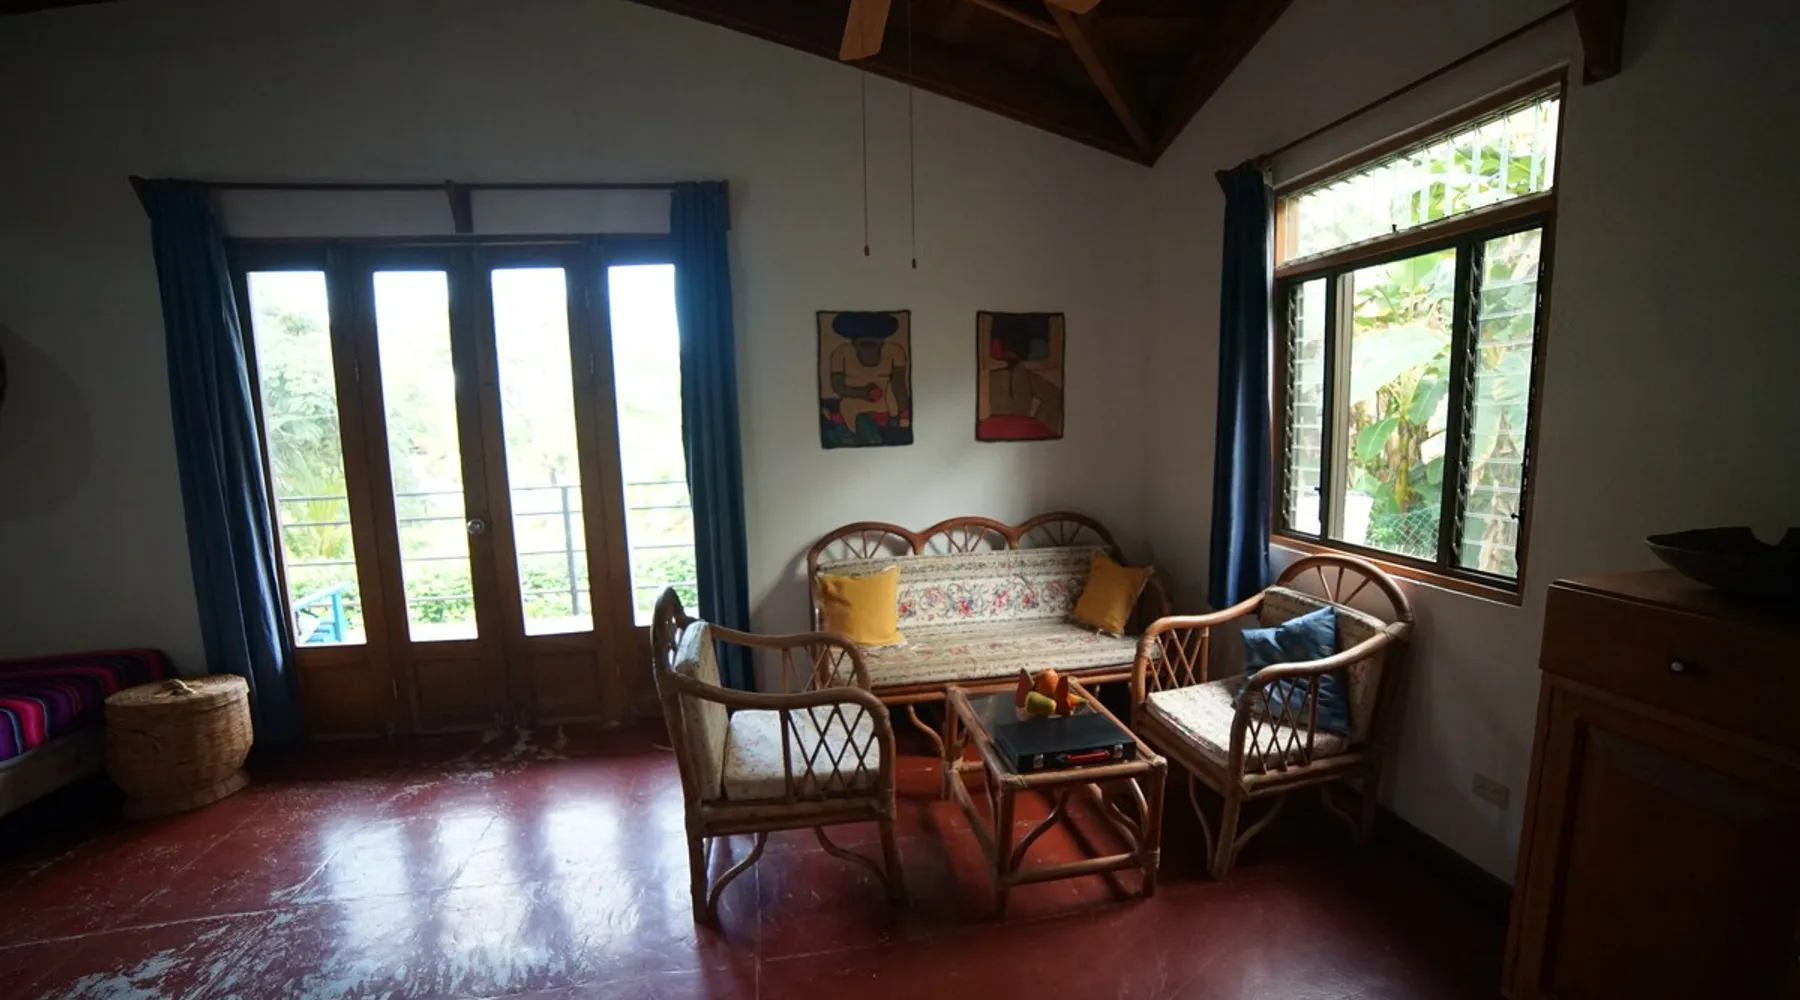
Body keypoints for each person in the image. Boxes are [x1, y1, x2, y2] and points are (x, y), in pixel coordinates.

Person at [822, 312, 911, 446]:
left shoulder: (894, 353)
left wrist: (904, 414)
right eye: (861, 335)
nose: (868, 340)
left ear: (883, 338)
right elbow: (838, 387)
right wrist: (863, 392)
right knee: (864, 427)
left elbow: (899, 387)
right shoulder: (841, 353)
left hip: (881, 411)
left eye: (875, 335)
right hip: (851, 410)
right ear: (853, 339)